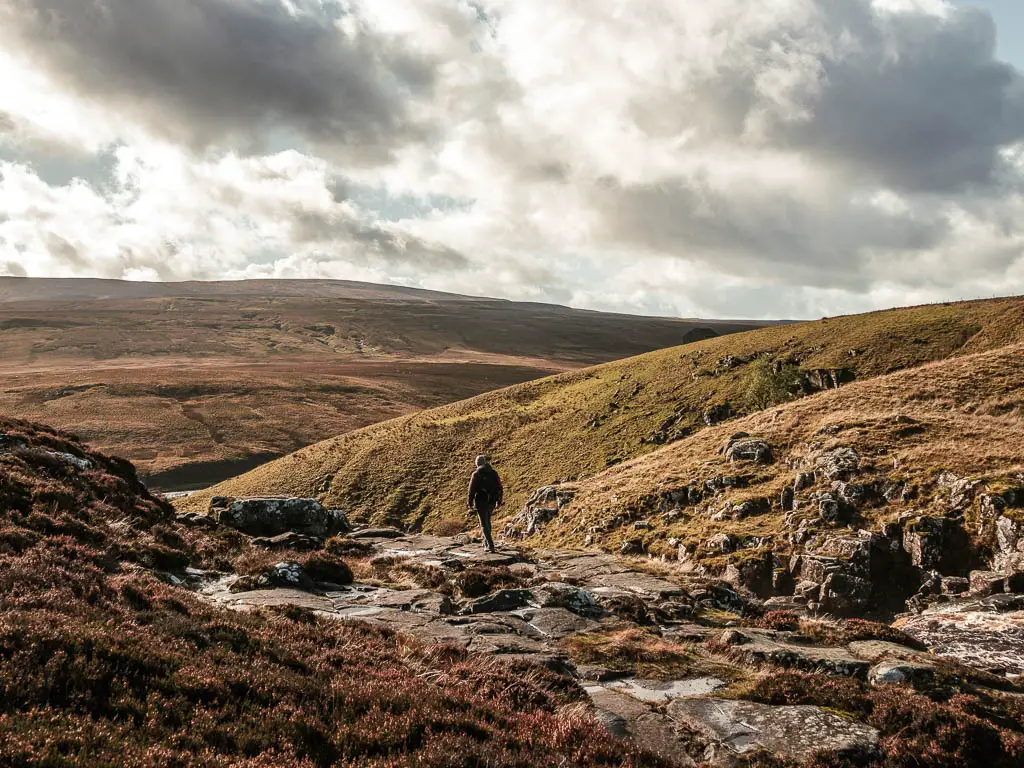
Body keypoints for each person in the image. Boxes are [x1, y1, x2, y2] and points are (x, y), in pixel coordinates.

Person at [467, 455, 503, 552]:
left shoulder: (476, 474)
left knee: (483, 524)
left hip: (480, 502)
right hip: (492, 501)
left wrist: (470, 503)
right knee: (487, 522)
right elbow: (500, 487)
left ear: (477, 463)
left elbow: (471, 490)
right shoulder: (494, 473)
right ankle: (486, 543)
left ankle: (490, 545)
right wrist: (499, 501)